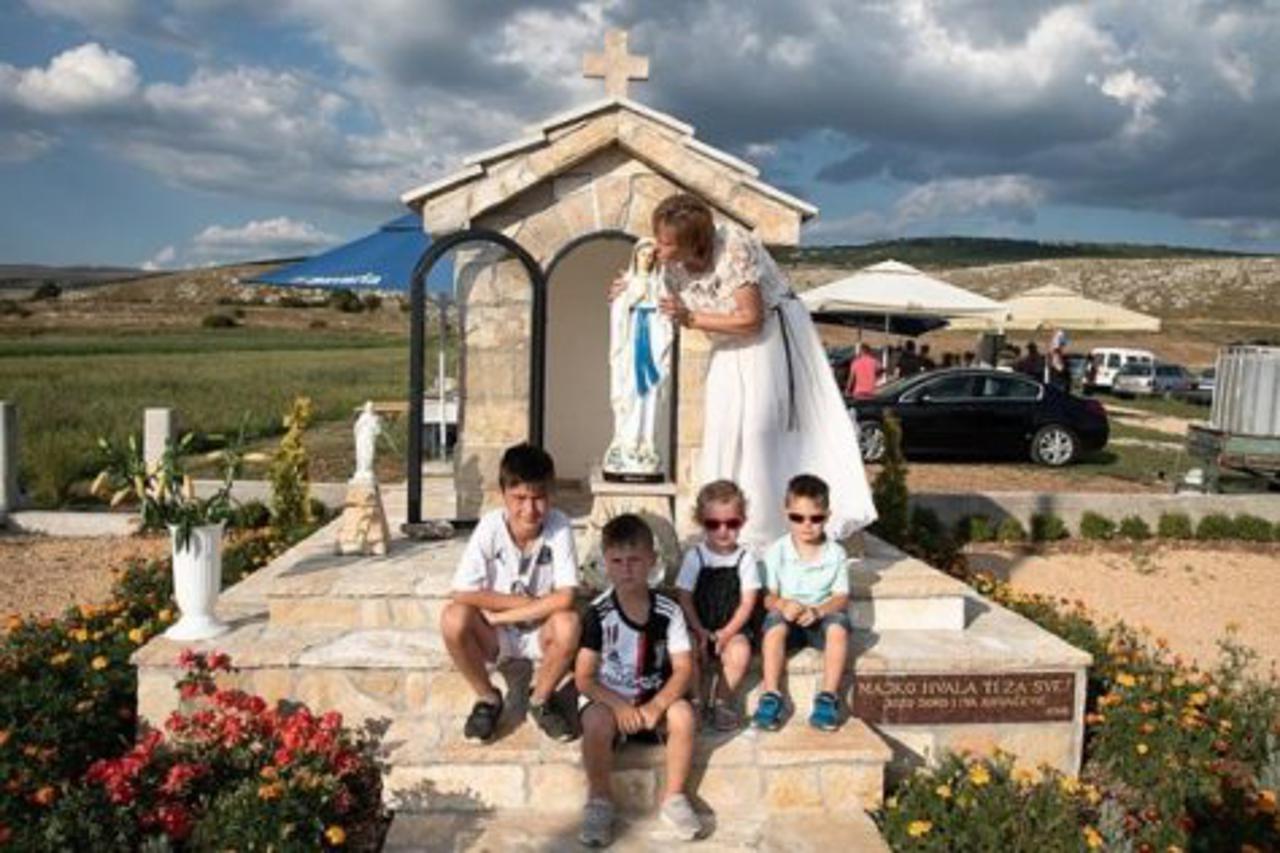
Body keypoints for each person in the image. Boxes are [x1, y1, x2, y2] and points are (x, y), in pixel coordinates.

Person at [640, 193, 877, 546]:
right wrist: (628, 287)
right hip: (727, 346)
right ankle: (724, 522)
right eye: (659, 239)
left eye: (668, 242)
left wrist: (690, 317)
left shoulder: (733, 248)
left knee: (759, 432)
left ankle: (767, 528)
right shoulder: (668, 262)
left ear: (694, 242)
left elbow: (751, 319)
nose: (659, 248)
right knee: (724, 428)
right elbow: (642, 287)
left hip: (769, 342)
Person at [440, 443, 580, 743]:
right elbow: (461, 591)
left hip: (538, 630)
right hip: (496, 636)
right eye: (519, 498)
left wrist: (504, 615)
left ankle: (540, 699)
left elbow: (566, 597)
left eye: (539, 498)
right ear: (503, 493)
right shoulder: (490, 526)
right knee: (452, 619)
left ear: (551, 494)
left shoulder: (559, 525)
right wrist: (524, 603)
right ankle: (488, 698)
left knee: (569, 624)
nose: (529, 510)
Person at [576, 514, 701, 846]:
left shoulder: (668, 611)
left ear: (652, 561)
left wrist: (658, 705)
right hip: (611, 700)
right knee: (595, 721)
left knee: (683, 715)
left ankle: (674, 798)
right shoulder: (598, 614)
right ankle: (599, 801)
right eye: (617, 561)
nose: (626, 569)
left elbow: (684, 668)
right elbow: (584, 677)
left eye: (634, 560)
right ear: (606, 563)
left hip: (653, 703)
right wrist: (618, 706)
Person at [752, 475, 852, 733]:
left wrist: (819, 611)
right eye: (798, 517)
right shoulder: (776, 551)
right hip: (788, 617)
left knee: (839, 628)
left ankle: (828, 696)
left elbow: (841, 597)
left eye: (815, 518)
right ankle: (771, 694)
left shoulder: (836, 553)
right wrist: (783, 604)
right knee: (773, 626)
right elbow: (768, 597)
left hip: (820, 616)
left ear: (827, 516)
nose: (807, 525)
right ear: (786, 514)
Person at [675, 480, 760, 731]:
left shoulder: (745, 559)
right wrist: (699, 630)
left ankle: (722, 699)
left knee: (741, 650)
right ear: (701, 522)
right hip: (697, 623)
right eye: (713, 524)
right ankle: (696, 699)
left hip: (732, 625)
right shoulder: (695, 556)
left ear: (742, 521)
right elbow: (684, 597)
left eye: (732, 523)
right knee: (686, 648)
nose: (723, 531)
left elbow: (747, 602)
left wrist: (728, 632)